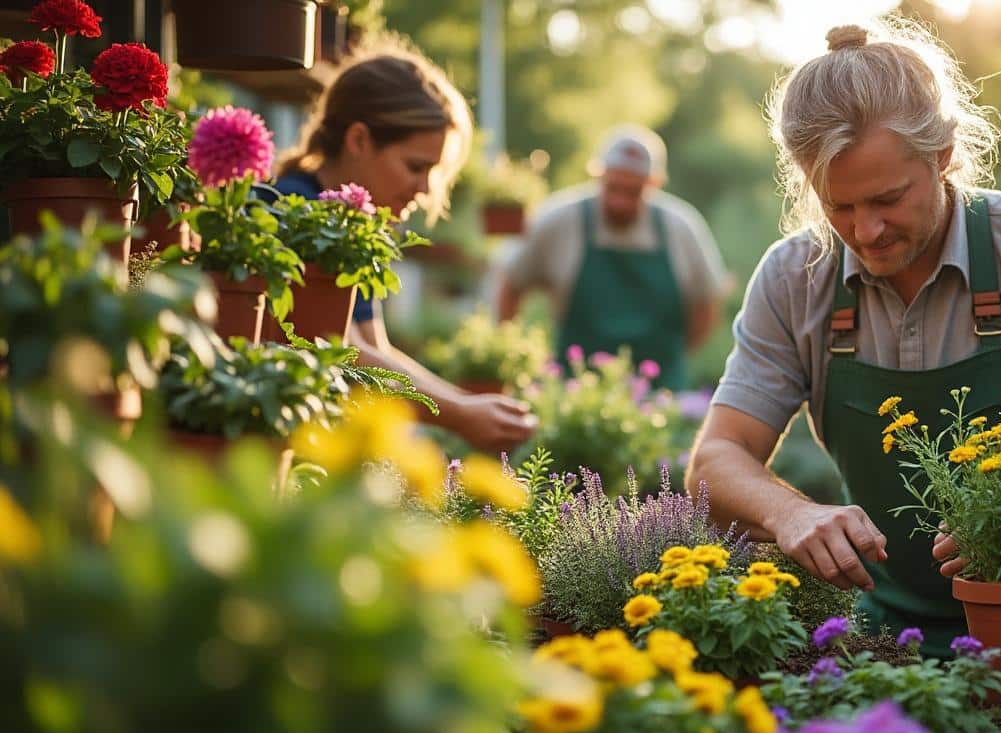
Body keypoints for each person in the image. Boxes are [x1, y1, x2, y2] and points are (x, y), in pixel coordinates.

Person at [686, 21, 1001, 693]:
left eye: (888, 199)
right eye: (839, 206)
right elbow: (717, 460)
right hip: (893, 641)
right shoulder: (795, 278)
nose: (865, 231)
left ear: (943, 154)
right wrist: (791, 512)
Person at [273, 48, 536, 454]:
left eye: (433, 172)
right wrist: (461, 413)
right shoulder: (297, 213)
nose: (427, 189)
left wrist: (467, 406)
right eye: (416, 167)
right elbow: (340, 348)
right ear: (358, 139)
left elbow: (374, 348)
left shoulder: (350, 225)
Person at [495, 125, 730, 391]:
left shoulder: (682, 228)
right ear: (598, 175)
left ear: (654, 184)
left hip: (660, 393)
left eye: (633, 192)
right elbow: (511, 284)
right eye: (613, 188)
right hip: (574, 390)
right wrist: (516, 360)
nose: (620, 201)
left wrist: (676, 356)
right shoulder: (558, 221)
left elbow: (708, 305)